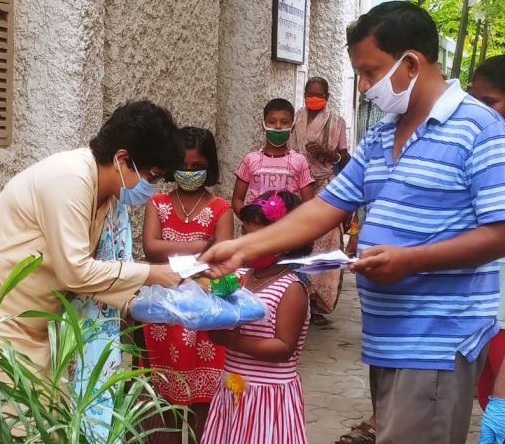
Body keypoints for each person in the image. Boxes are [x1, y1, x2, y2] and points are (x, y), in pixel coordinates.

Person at [199, 1, 505, 444]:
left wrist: (411, 260)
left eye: (370, 72)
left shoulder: (480, 128)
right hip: (386, 336)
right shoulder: (383, 134)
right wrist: (243, 248)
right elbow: (325, 207)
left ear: (410, 63)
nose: (365, 87)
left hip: (436, 338)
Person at [0, 100, 184, 383]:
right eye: (152, 176)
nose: (151, 189)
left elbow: (98, 270)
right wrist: (152, 274)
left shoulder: (106, 196)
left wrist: (150, 297)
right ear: (121, 158)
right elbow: (76, 272)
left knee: (42, 408)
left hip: (27, 321)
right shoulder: (71, 178)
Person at [141, 126, 234, 442]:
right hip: (163, 317)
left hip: (203, 319)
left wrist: (179, 251)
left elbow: (223, 259)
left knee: (203, 406)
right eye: (182, 165)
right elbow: (151, 248)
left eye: (198, 166)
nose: (189, 172)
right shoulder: (157, 203)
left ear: (210, 166)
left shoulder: (221, 209)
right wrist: (203, 246)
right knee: (162, 404)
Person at [202, 190, 311, 444]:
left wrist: (233, 341)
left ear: (286, 242)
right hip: (233, 388)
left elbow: (283, 347)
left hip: (268, 398)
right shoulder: (241, 278)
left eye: (255, 238)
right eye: (244, 234)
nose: (246, 243)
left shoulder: (291, 288)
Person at [469, 54, 505, 444]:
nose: (481, 111)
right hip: (478, 295)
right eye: (475, 100)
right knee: (489, 395)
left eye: (491, 102)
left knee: (503, 390)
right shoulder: (475, 147)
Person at [290, 77, 350, 325]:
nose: (314, 98)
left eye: (319, 95)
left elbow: (345, 159)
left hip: (324, 187)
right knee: (298, 242)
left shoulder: (336, 122)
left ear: (327, 97)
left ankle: (317, 305)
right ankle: (296, 300)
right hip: (297, 188)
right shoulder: (295, 119)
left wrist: (328, 154)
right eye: (310, 94)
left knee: (326, 244)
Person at [232, 98, 315, 214]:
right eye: (272, 121)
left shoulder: (300, 161)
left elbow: (309, 204)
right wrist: (249, 220)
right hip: (256, 223)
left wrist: (295, 223)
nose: (278, 126)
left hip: (288, 224)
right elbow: (237, 199)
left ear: (292, 127)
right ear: (263, 125)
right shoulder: (250, 159)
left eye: (284, 122)